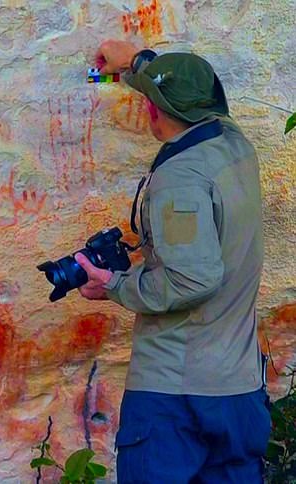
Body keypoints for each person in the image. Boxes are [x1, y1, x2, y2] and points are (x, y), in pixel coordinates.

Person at [74, 40, 271, 483]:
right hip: (237, 391)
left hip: (176, 401)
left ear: (151, 111)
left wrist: (114, 285)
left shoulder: (180, 181)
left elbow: (192, 279)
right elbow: (191, 92)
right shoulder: (235, 144)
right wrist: (136, 63)